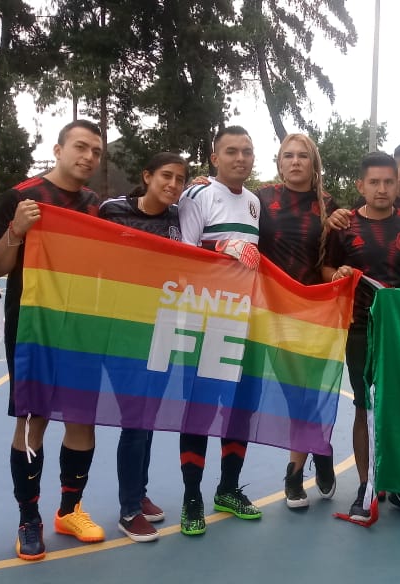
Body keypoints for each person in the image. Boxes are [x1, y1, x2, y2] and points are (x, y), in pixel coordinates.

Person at [0, 119, 106, 560]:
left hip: (85, 325)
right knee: (32, 421)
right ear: (58, 149)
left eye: (95, 151)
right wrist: (17, 230)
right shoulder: (21, 196)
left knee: (81, 419)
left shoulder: (98, 204)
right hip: (33, 325)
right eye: (80, 147)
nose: (88, 157)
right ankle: (29, 517)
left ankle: (69, 509)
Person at [324, 151, 400, 523]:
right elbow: (326, 270)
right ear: (361, 186)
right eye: (374, 182)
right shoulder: (343, 227)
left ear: (397, 183)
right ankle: (366, 485)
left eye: (389, 181)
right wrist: (335, 272)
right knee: (364, 406)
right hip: (358, 330)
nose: (382, 188)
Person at [175, 126, 263, 535]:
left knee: (239, 407)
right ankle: (191, 497)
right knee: (201, 408)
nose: (240, 158)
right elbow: (180, 253)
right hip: (204, 316)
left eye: (247, 151)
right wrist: (221, 248)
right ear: (214, 157)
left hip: (243, 318)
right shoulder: (197, 194)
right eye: (231, 151)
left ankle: (227, 488)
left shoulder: (254, 202)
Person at [98, 152, 188, 542]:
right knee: (135, 421)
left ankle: (140, 492)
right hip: (123, 331)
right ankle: (128, 510)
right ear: (147, 176)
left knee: (148, 419)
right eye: (166, 176)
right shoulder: (112, 211)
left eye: (180, 179)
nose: (173, 184)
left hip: (162, 327)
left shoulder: (177, 216)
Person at [255, 133, 339, 510]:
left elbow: (335, 258)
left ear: (313, 163)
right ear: (278, 162)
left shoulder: (330, 207)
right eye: (287, 155)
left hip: (314, 311)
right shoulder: (260, 199)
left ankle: (294, 471)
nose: (295, 162)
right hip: (272, 310)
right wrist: (201, 185)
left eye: (302, 156)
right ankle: (318, 450)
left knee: (309, 390)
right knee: (296, 394)